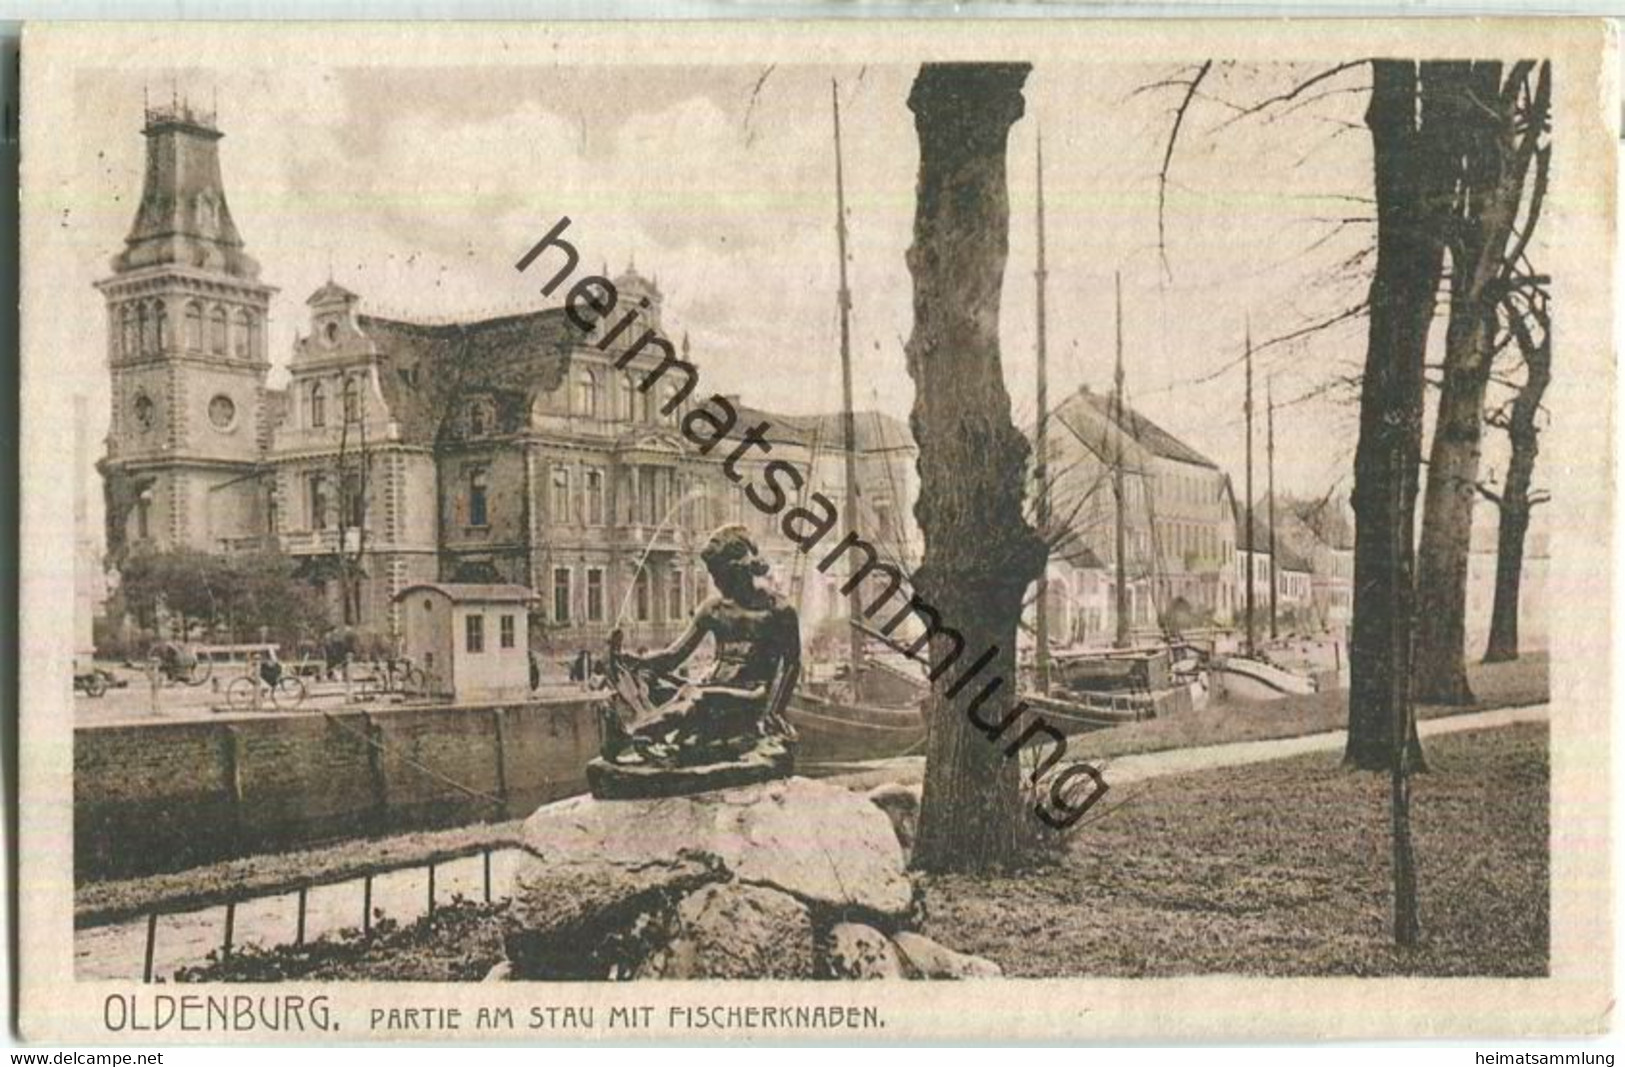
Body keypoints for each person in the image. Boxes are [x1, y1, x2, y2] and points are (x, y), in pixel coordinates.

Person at [599, 525, 800, 766]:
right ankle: (658, 736)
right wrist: (636, 661)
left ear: (739, 570)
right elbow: (674, 656)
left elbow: (791, 664)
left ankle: (635, 733)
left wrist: (775, 712)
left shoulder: (778, 610)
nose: (715, 582)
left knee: (694, 695)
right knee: (668, 687)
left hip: (751, 694)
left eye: (719, 575)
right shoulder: (713, 609)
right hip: (710, 687)